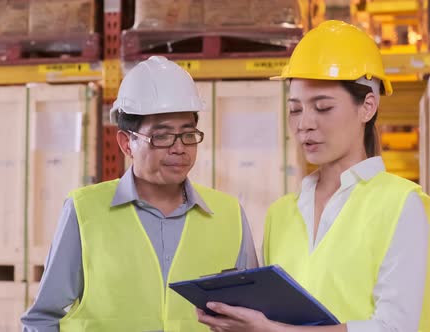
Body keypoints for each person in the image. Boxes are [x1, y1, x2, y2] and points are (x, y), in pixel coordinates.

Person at [197, 20, 430, 332]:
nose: (305, 124)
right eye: (296, 109)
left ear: (367, 107)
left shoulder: (401, 206)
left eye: (323, 108)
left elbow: (395, 327)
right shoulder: (281, 213)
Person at [21, 55, 258, 332]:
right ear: (126, 143)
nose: (179, 148)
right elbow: (43, 319)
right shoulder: (84, 211)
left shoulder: (228, 214)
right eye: (162, 136)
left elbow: (250, 319)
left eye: (188, 134)